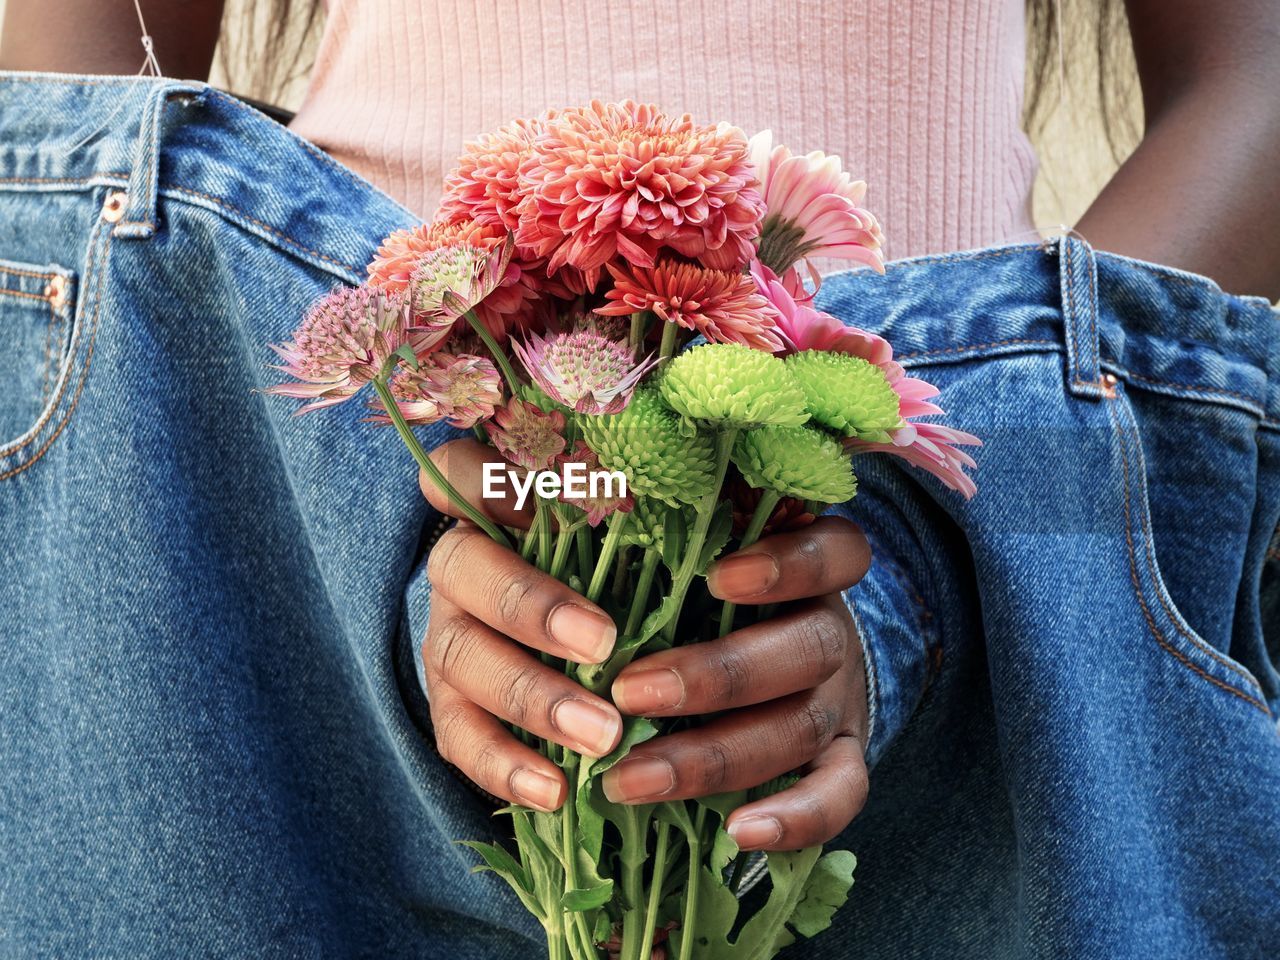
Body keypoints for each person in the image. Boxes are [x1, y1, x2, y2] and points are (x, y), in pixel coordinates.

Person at [0, 2, 1276, 959]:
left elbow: (1252, 66)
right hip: (317, 487)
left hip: (939, 518)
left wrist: (925, 533)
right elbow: (68, 106)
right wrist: (332, 503)